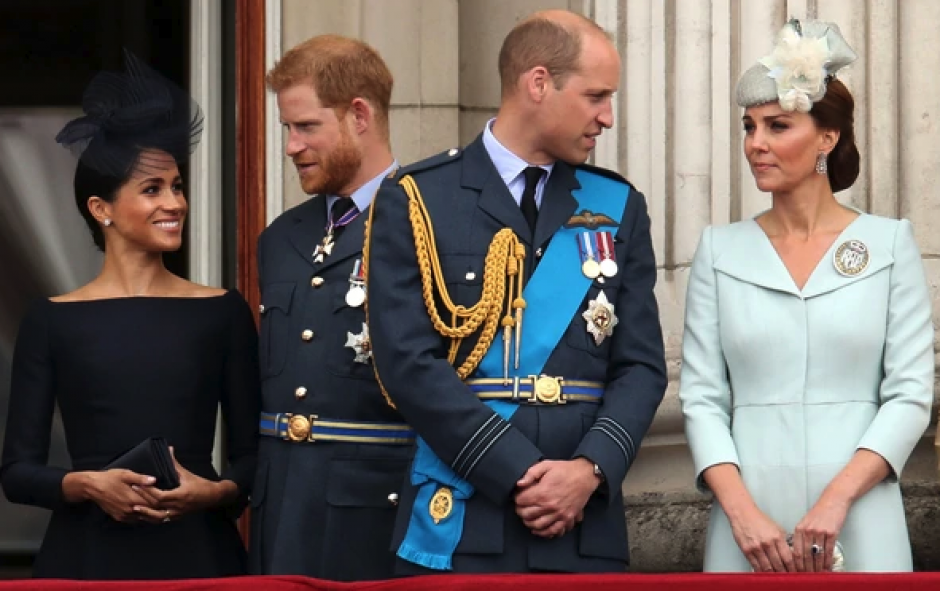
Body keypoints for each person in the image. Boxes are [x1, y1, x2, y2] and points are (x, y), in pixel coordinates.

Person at [366, 10, 666, 574]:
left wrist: (588, 471)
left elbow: (642, 366)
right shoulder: (418, 199)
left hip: (583, 523)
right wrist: (516, 471)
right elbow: (406, 361)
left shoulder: (619, 205)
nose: (606, 117)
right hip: (463, 510)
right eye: (596, 96)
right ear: (538, 83)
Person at [679, 19, 934, 573]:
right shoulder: (720, 250)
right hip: (747, 526)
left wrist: (837, 499)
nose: (756, 144)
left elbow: (911, 393)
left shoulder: (888, 244)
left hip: (860, 513)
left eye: (777, 125)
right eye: (749, 127)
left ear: (827, 136)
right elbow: (701, 399)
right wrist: (742, 514)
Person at [0, 51, 260, 580]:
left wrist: (215, 492)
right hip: (85, 559)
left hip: (199, 556)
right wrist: (88, 484)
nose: (175, 203)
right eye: (152, 189)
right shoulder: (52, 319)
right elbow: (17, 473)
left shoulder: (222, 311)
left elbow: (255, 458)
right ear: (102, 209)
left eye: (177, 186)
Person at [249, 35, 413, 581]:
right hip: (282, 512)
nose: (291, 146)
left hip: (375, 515)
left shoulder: (427, 222)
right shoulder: (280, 237)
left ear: (359, 115)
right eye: (287, 130)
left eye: (306, 127)